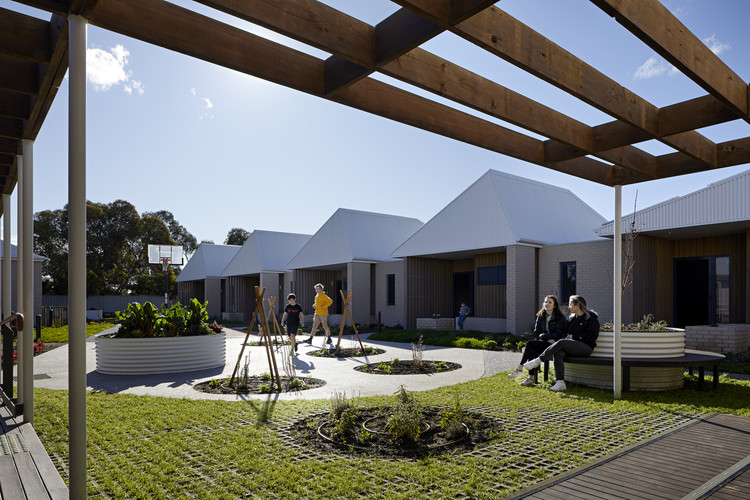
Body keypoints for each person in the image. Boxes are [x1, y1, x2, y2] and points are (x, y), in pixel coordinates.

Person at [522, 295, 599, 392]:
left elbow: (592, 337)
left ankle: (537, 361)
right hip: (571, 347)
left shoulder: (591, 319)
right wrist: (566, 336)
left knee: (562, 343)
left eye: (570, 304)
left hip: (585, 348)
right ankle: (560, 382)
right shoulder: (571, 319)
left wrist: (574, 337)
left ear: (577, 305)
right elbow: (565, 333)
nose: (569, 307)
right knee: (558, 352)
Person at [508, 295, 566, 386]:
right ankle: (529, 377)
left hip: (555, 344)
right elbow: (536, 332)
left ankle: (521, 370)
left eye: (550, 302)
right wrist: (545, 337)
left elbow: (558, 333)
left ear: (554, 305)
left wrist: (545, 337)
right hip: (545, 342)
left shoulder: (559, 317)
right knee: (532, 347)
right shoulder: (541, 315)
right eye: (546, 302)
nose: (547, 304)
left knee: (531, 344)